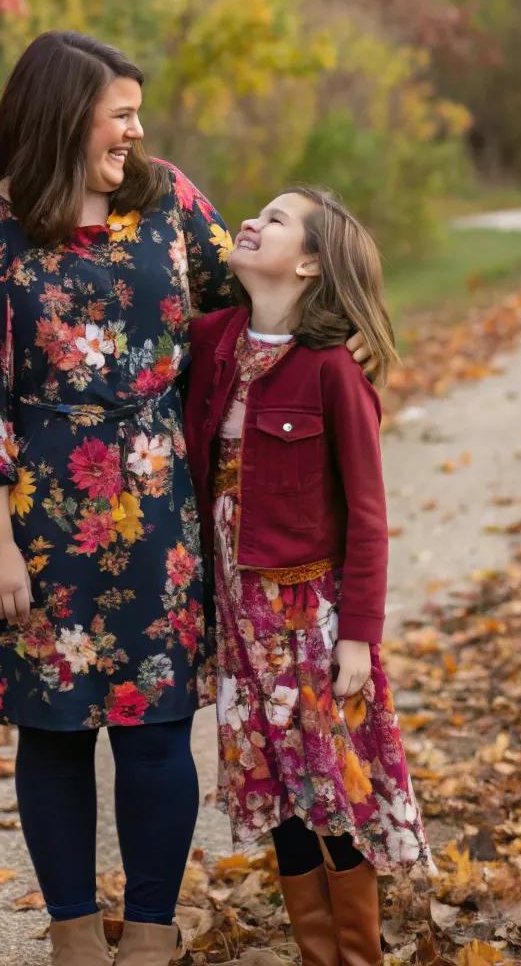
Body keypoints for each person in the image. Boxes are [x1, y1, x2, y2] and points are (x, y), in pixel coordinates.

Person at [0, 31, 234, 966]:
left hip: (159, 508)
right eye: (120, 114)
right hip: (37, 516)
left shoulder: (167, 199)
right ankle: (73, 930)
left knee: (157, 729)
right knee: (55, 731)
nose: (136, 130)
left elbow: (245, 295)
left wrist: (334, 337)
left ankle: (151, 931)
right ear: (67, 117)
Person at [185, 187, 431, 966]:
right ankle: (316, 953)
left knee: (333, 788)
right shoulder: (213, 340)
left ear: (311, 262)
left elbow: (366, 514)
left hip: (309, 617)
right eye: (256, 212)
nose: (252, 222)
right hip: (239, 620)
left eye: (278, 219)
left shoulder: (332, 368)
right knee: (275, 784)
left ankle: (358, 955)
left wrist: (359, 636)